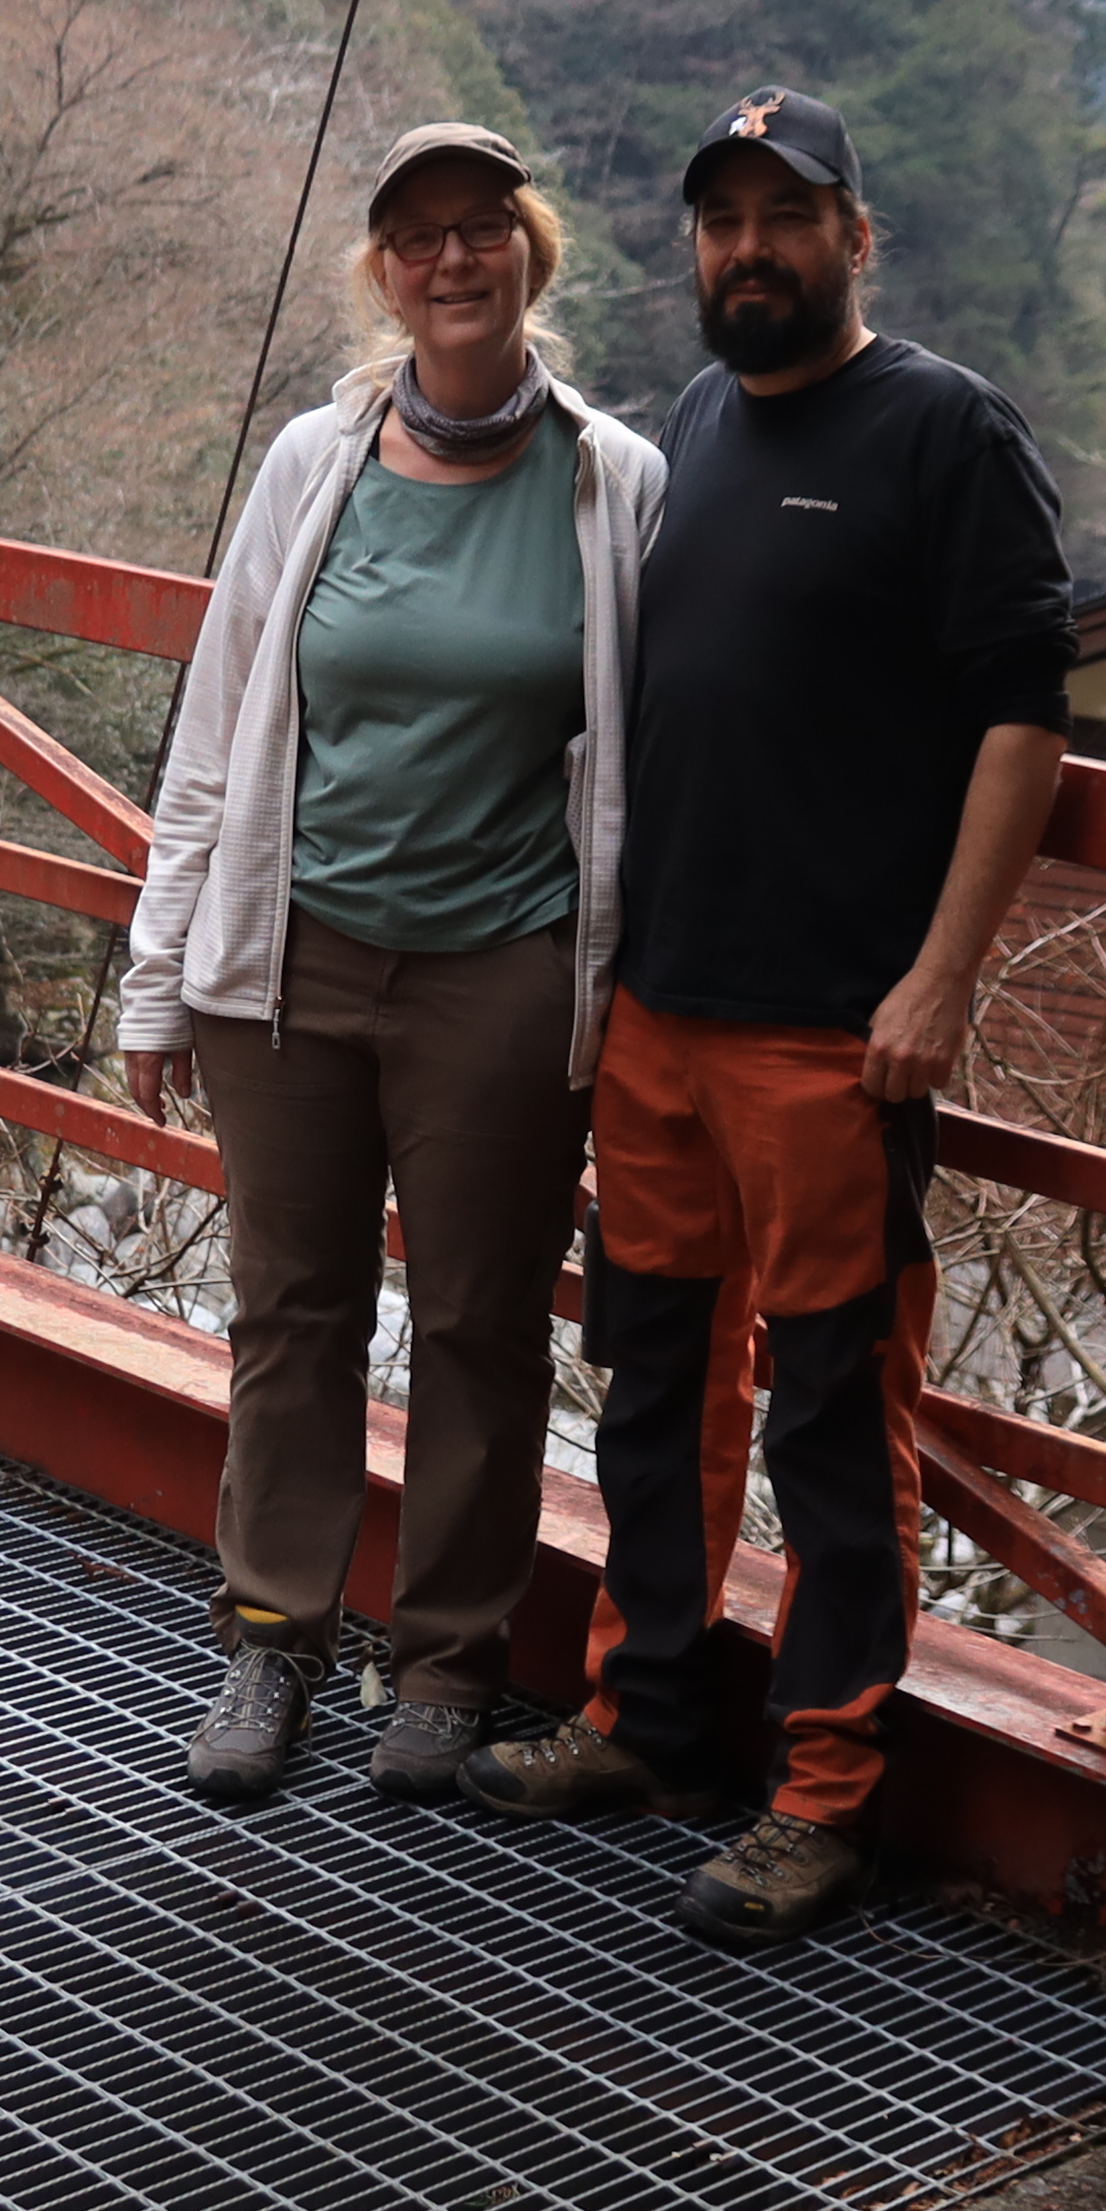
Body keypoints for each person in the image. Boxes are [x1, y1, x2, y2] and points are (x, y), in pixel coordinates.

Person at [460, 86, 1075, 1947]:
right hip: (662, 1006)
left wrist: (942, 977)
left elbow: (1025, 719)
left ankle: (824, 1793)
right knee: (653, 1383)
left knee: (830, 1417)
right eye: (723, 221)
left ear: (854, 237)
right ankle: (647, 1714)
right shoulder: (702, 424)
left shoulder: (949, 433)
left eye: (786, 218)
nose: (751, 249)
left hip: (831, 1033)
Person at [123, 121, 667, 1806]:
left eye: (482, 229)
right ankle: (272, 1638)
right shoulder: (314, 464)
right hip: (290, 958)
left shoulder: (611, 482)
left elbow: (651, 748)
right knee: (292, 1315)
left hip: (499, 967)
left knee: (486, 1324)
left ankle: (444, 1663)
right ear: (385, 271)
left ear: (533, 254)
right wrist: (159, 969)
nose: (453, 259)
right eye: (419, 236)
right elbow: (218, 727)